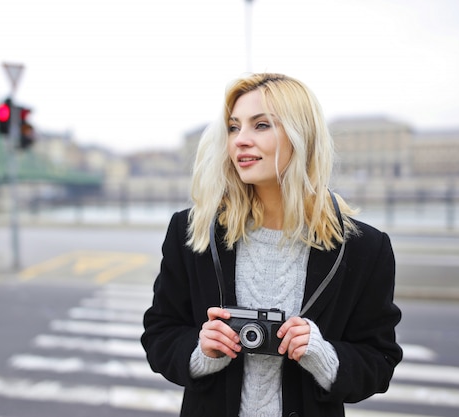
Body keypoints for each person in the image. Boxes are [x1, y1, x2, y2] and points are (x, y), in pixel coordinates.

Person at [141, 73, 402, 417]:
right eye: (233, 128)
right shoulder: (194, 231)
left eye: (260, 125)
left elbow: (378, 362)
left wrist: (320, 353)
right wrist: (201, 350)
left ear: (301, 136)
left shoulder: (364, 248)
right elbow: (160, 335)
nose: (240, 141)